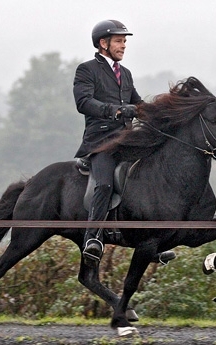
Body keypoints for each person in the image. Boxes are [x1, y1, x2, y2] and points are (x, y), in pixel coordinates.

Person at [73, 19, 141, 267]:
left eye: (124, 41)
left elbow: (138, 103)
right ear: (104, 43)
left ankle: (153, 237)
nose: (124, 45)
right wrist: (115, 111)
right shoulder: (87, 70)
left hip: (126, 141)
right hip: (101, 141)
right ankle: (93, 237)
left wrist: (160, 113)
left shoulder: (126, 74)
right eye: (119, 41)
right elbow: (84, 103)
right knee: (103, 185)